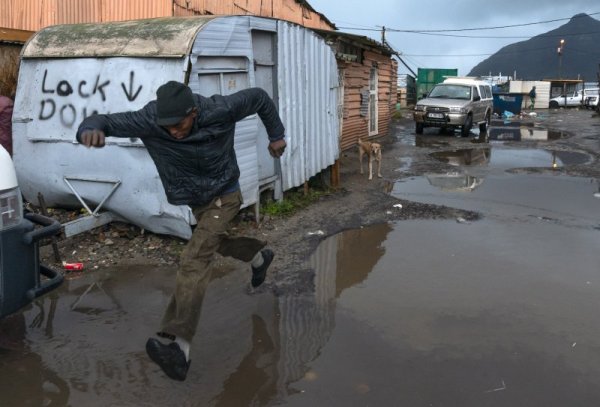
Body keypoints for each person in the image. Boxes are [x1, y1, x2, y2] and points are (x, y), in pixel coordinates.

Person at [76, 81, 286, 381]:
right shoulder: (149, 120)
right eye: (168, 126)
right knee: (215, 243)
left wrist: (276, 135)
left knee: (195, 257)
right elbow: (107, 122)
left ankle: (177, 347)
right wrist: (89, 127)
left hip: (225, 193)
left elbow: (260, 97)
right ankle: (258, 256)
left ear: (194, 111)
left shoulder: (220, 109)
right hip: (197, 201)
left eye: (179, 124)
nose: (173, 131)